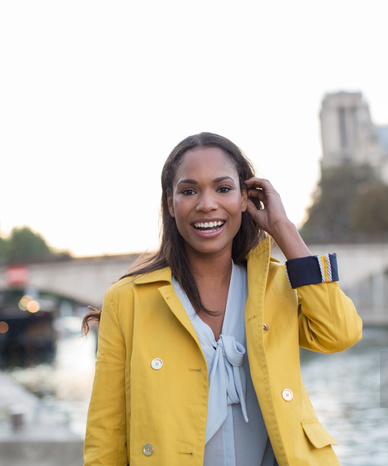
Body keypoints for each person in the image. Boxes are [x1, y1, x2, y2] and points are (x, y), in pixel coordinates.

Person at [82, 132, 362, 465]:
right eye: (188, 191)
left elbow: (340, 333)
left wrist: (284, 228)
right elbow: (106, 435)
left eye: (223, 188)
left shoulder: (277, 286)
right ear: (170, 204)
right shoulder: (127, 301)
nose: (207, 204)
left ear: (245, 199)